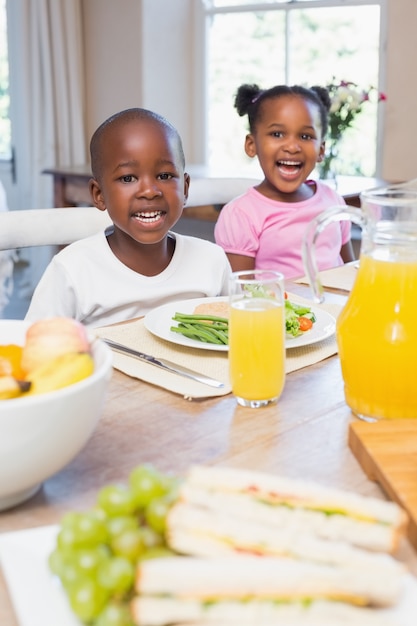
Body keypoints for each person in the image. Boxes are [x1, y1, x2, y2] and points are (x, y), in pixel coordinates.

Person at [25, 108, 231, 328]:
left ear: (185, 187)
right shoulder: (73, 269)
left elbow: (238, 331)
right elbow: (36, 345)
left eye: (164, 176)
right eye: (128, 178)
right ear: (99, 194)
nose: (149, 191)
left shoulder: (211, 261)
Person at [214, 84, 355, 279]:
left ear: (321, 150)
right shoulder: (241, 215)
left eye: (305, 136)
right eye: (277, 134)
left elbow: (351, 273)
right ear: (252, 145)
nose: (292, 146)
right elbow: (242, 296)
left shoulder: (333, 201)